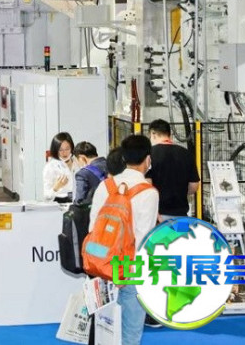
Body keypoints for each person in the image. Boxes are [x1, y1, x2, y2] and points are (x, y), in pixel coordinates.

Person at [89, 136, 159, 345]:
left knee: (103, 331)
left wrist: (101, 265)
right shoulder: (148, 193)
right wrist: (125, 272)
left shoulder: (106, 185)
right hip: (128, 268)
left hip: (101, 263)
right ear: (147, 159)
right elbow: (143, 239)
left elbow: (93, 228)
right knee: (130, 334)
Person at [146, 119, 200, 220]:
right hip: (181, 215)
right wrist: (179, 192)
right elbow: (194, 186)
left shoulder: (148, 154)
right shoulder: (186, 154)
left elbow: (147, 184)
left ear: (153, 134)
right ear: (169, 135)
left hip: (157, 216)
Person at [42, 132, 78, 203]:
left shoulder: (78, 162)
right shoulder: (50, 167)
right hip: (59, 203)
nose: (64, 153)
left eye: (67, 149)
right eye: (61, 150)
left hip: (77, 201)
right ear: (56, 150)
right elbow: (46, 197)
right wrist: (56, 187)